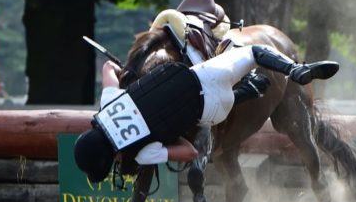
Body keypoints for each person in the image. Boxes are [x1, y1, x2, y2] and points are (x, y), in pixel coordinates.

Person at [73, 37, 339, 183]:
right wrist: (126, 74)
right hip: (203, 77)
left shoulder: (142, 154)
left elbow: (190, 151)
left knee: (210, 112)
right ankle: (295, 70)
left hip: (212, 109)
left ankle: (246, 91)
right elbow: (108, 69)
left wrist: (165, 134)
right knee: (256, 50)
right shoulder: (108, 104)